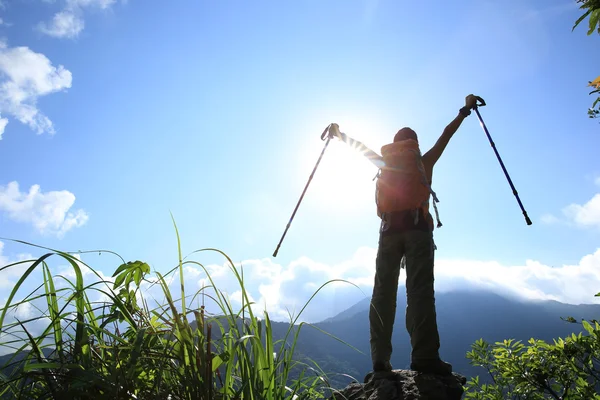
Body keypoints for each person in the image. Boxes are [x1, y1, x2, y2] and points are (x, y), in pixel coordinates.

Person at [328, 94, 479, 376]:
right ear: (414, 145)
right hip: (418, 231)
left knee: (382, 295)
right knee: (420, 293)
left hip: (388, 232)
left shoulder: (384, 163)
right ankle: (424, 357)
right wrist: (465, 110)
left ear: (395, 145)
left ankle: (380, 360)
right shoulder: (424, 162)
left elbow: (359, 148)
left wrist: (340, 134)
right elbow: (447, 135)